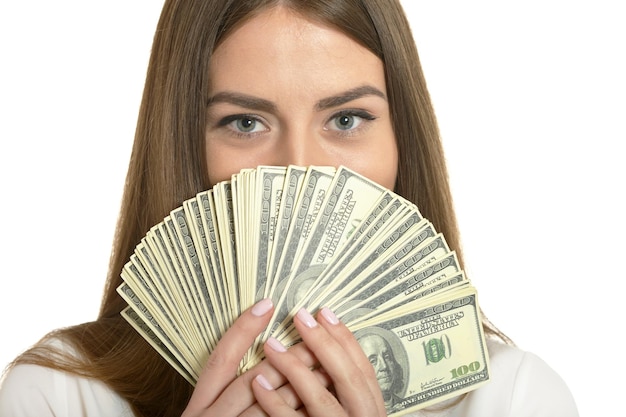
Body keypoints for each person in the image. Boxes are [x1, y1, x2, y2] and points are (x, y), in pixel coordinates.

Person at [0, 1, 579, 416]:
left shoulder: (512, 398)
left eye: (346, 119)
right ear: (183, 144)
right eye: (245, 122)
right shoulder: (58, 395)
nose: (301, 169)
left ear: (402, 139)